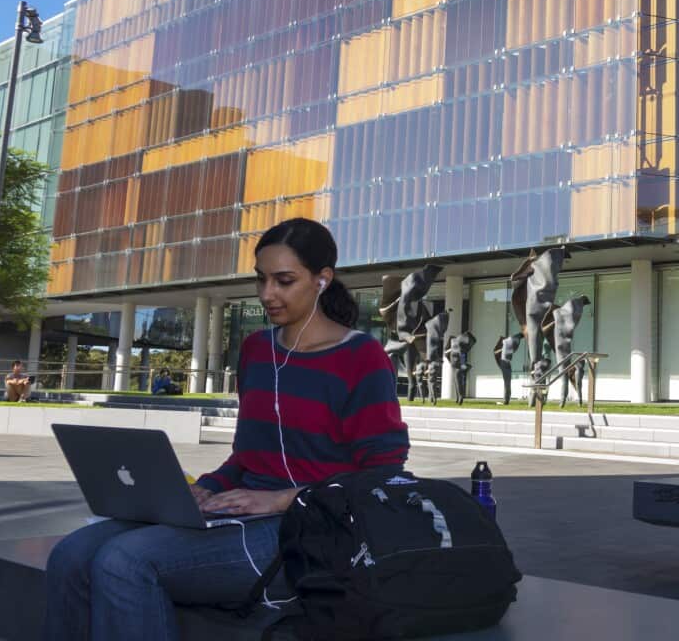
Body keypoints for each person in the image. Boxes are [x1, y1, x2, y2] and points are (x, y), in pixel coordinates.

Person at [43, 218, 409, 641]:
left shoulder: (361, 356)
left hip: (311, 533)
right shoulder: (255, 350)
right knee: (70, 554)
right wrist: (206, 489)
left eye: (284, 281)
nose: (267, 294)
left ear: (322, 280)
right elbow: (247, 457)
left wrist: (280, 499)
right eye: (261, 280)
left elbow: (383, 472)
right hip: (239, 512)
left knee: (126, 561)